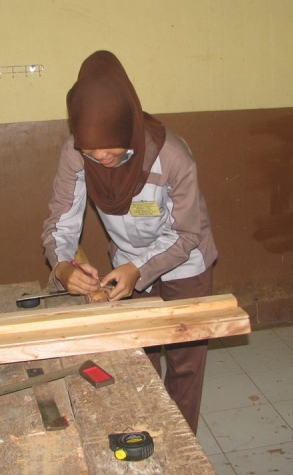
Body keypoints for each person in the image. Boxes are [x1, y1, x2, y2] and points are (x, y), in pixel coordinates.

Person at [42, 50, 218, 434]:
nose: (101, 158)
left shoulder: (171, 156)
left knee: (185, 362)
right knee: (140, 355)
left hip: (185, 261)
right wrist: (63, 265)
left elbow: (188, 232)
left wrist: (139, 268)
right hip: (128, 261)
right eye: (91, 150)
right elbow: (61, 220)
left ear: (127, 127)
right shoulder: (76, 155)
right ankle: (148, 432)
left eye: (110, 148)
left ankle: (179, 442)